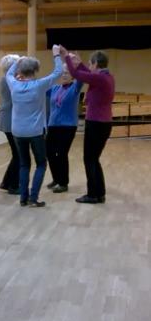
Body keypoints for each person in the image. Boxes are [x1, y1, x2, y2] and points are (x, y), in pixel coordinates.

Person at [6, 47, 62, 207]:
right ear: (35, 70)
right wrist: (56, 55)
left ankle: (23, 198)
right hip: (35, 131)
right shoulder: (40, 85)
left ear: (21, 70)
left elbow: (8, 74)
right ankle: (33, 198)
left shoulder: (13, 85)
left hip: (17, 131)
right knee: (41, 164)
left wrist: (17, 61)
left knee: (24, 164)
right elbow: (58, 72)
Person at [61, 47, 115, 204]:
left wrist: (67, 59)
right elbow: (89, 75)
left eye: (91, 64)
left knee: (89, 159)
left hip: (96, 123)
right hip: (103, 123)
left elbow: (78, 75)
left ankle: (93, 194)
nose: (90, 67)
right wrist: (80, 64)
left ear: (96, 63)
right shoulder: (106, 77)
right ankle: (100, 193)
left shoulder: (101, 79)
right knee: (94, 159)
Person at [46, 63, 83, 193]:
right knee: (49, 153)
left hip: (68, 126)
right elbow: (41, 88)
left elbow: (81, 78)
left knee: (61, 153)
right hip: (53, 125)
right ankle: (56, 178)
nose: (64, 75)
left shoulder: (75, 88)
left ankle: (63, 183)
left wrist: (76, 65)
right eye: (62, 72)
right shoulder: (55, 88)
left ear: (73, 75)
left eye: (67, 72)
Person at [0, 54, 20, 194]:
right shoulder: (9, 81)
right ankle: (12, 185)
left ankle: (6, 182)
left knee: (16, 153)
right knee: (18, 154)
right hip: (10, 119)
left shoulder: (5, 80)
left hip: (7, 118)